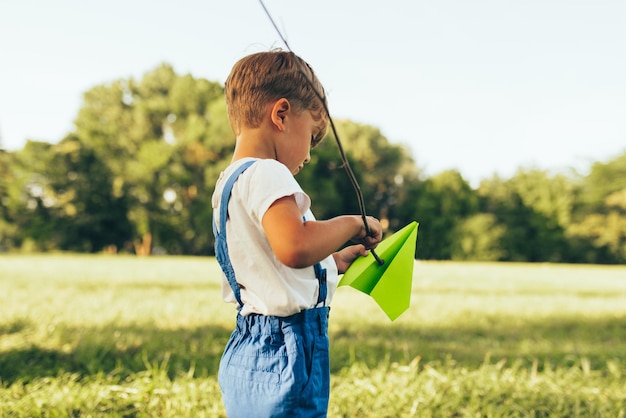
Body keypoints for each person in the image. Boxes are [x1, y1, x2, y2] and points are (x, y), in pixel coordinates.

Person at [211, 49, 383, 417]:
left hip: (249, 345)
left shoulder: (229, 183)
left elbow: (273, 263)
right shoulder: (268, 173)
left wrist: (333, 262)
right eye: (311, 136)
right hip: (287, 349)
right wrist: (353, 224)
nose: (307, 157)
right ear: (282, 114)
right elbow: (294, 247)